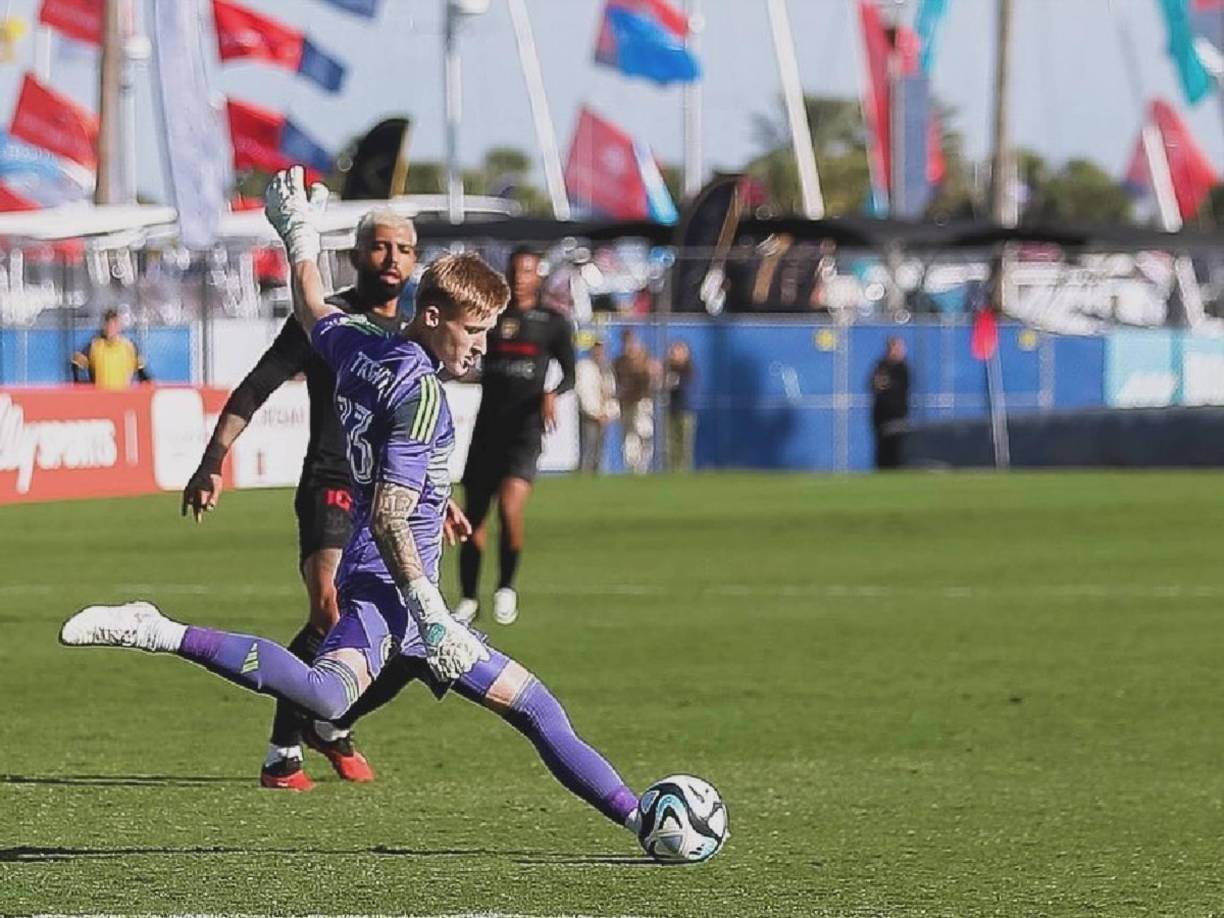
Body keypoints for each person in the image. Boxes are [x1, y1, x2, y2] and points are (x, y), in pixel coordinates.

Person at [61, 166, 645, 848]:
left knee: (351, 696)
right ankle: (156, 630)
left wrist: (298, 235)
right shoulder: (420, 396)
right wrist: (434, 619)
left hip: (386, 583)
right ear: (433, 318)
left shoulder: (362, 346)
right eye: (473, 331)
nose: (481, 347)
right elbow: (392, 518)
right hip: (396, 595)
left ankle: (640, 819)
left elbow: (312, 305)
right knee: (514, 707)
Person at [178, 206, 468, 792]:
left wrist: (440, 499)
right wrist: (212, 462)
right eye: (379, 246)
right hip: (332, 482)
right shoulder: (327, 320)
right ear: (357, 255)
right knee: (330, 609)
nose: (391, 258)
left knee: (411, 639)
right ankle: (284, 749)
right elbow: (255, 388)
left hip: (392, 498)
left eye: (403, 248)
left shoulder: (418, 334)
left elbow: (416, 441)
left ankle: (330, 723)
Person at [454, 247, 575, 627]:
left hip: (524, 430)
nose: (520, 278)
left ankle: (506, 587)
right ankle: (469, 598)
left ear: (538, 276)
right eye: (515, 271)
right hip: (487, 428)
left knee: (509, 509)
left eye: (527, 271)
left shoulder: (552, 322)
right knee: (473, 518)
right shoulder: (491, 316)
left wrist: (552, 393)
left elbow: (570, 373)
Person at [613, 329, 658, 475]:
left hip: (643, 402)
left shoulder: (645, 358)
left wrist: (644, 365)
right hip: (627, 403)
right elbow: (617, 383)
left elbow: (652, 376)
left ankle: (643, 466)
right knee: (629, 436)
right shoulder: (619, 362)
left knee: (645, 433)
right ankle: (632, 468)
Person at [70, 308, 151, 390]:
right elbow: (76, 363)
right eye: (108, 324)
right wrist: (84, 388)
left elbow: (143, 373)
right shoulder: (95, 346)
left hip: (123, 395)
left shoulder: (129, 347)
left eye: (114, 324)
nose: (110, 328)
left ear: (119, 326)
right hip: (102, 395)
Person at [574, 339, 617, 474]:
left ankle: (596, 473)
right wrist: (595, 413)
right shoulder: (584, 367)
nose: (600, 352)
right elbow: (583, 392)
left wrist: (607, 413)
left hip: (603, 415)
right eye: (597, 349)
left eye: (602, 349)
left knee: (599, 449)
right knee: (588, 447)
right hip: (590, 415)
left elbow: (610, 392)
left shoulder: (606, 368)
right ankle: (584, 474)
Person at [870, 336, 910, 470]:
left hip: (899, 415)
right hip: (882, 416)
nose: (901, 351)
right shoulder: (881, 367)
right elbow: (875, 385)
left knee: (898, 448)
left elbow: (901, 388)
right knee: (883, 449)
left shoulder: (903, 368)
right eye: (898, 347)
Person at [664, 339, 696, 472]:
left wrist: (673, 382)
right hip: (670, 410)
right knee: (670, 444)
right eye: (673, 352)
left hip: (685, 411)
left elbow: (682, 386)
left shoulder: (688, 369)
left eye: (677, 352)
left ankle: (684, 470)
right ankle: (672, 470)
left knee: (684, 444)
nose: (674, 354)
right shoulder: (667, 368)